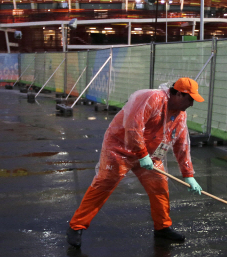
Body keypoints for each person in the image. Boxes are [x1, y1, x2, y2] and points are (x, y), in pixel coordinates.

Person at [66, 77, 204, 248]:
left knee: (159, 187)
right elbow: (133, 126)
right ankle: (76, 225)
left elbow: (182, 145)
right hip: (119, 148)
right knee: (104, 184)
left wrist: (188, 175)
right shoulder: (153, 99)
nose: (191, 104)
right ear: (179, 94)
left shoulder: (179, 115)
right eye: (190, 99)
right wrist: (141, 154)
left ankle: (162, 227)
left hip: (149, 154)